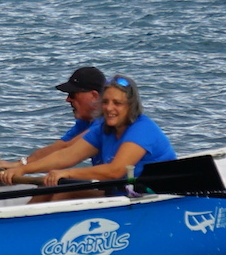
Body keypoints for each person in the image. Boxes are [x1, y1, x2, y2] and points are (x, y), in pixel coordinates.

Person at [15, 75, 176, 201]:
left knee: (63, 195)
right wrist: (23, 169)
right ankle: (19, 229)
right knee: (48, 187)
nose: (109, 108)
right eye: (105, 102)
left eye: (117, 103)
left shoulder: (143, 129)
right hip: (120, 194)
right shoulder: (103, 129)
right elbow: (66, 156)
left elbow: (115, 171)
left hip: (154, 198)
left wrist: (68, 174)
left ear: (130, 106)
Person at [0, 66, 106, 185]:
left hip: (115, 189)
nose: (67, 100)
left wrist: (22, 169)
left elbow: (68, 151)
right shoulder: (85, 122)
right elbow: (60, 146)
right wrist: (20, 164)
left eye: (72, 94)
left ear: (94, 96)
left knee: (60, 193)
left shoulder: (105, 123)